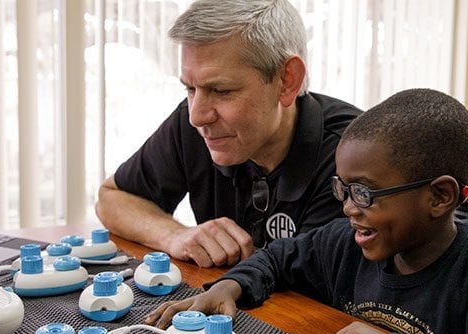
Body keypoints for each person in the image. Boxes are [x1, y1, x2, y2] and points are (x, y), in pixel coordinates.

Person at [144, 88, 468, 334]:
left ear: (439, 196)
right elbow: (278, 258)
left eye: (364, 193)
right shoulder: (346, 243)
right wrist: (229, 287)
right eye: (342, 189)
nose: (348, 208)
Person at [95, 0, 361, 268]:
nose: (196, 116)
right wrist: (175, 235)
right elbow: (112, 199)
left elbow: (311, 281)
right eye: (190, 89)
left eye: (221, 91)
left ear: (286, 80)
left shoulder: (353, 156)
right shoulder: (194, 124)